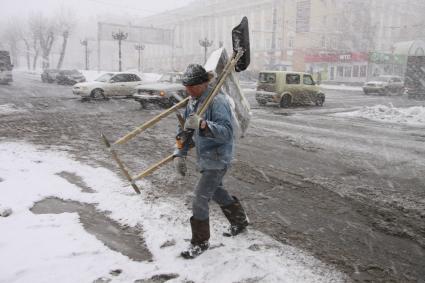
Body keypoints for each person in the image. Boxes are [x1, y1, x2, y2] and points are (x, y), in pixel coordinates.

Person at [173, 64, 249, 259]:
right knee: (216, 191)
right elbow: (185, 132)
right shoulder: (192, 102)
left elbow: (227, 133)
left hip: (218, 158)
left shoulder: (217, 102)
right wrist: (178, 154)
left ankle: (200, 242)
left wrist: (203, 124)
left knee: (200, 197)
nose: (187, 90)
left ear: (203, 83)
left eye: (191, 86)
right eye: (186, 86)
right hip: (205, 158)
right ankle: (240, 221)